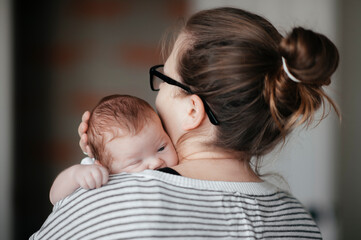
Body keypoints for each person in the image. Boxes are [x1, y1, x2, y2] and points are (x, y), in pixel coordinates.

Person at [31, 7, 339, 239]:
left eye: (164, 78)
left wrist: (93, 182)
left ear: (193, 111)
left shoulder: (110, 203)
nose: (158, 92)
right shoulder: (298, 221)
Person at [49, 94, 178, 205]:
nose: (156, 163)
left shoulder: (182, 162)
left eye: (161, 148)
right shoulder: (95, 171)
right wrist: (75, 175)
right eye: (135, 162)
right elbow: (54, 197)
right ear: (104, 166)